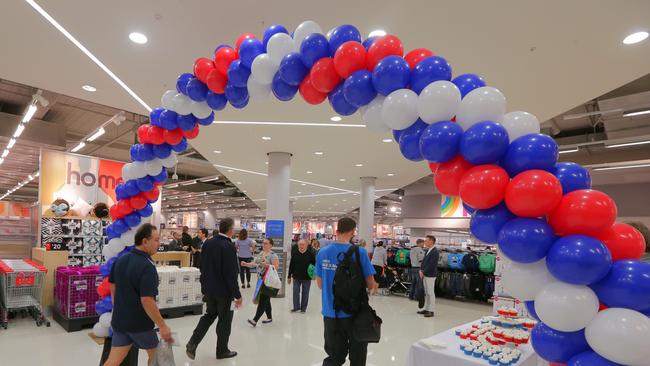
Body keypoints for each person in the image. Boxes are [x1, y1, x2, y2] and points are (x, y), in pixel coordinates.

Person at [104, 224, 173, 366]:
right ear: (145, 241)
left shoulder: (121, 259)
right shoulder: (147, 266)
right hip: (140, 325)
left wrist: (117, 306)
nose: (158, 244)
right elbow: (147, 300)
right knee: (157, 358)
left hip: (120, 321)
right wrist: (162, 325)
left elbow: (112, 284)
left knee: (113, 361)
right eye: (156, 240)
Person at [315, 217, 376, 366]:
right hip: (355, 313)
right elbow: (371, 285)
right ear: (353, 232)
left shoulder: (322, 253)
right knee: (358, 357)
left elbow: (320, 284)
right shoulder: (360, 252)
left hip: (331, 312)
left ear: (336, 231)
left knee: (334, 357)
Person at [186, 218, 242, 361]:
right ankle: (222, 350)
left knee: (209, 315)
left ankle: (192, 343)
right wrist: (237, 294)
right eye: (233, 228)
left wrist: (204, 288)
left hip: (210, 290)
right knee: (225, 320)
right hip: (224, 292)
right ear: (229, 230)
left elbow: (202, 267)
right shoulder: (228, 246)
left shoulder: (208, 243)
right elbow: (230, 274)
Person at [242, 238, 279, 326]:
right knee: (266, 300)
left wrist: (266, 265)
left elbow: (276, 267)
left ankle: (255, 320)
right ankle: (269, 318)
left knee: (263, 300)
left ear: (271, 245)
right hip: (260, 280)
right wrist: (246, 264)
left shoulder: (273, 255)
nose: (264, 244)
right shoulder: (261, 253)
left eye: (266, 243)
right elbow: (255, 263)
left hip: (268, 281)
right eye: (263, 243)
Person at [288, 239, 316, 313]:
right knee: (295, 292)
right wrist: (289, 276)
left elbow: (314, 265)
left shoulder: (311, 254)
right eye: (300, 244)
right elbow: (291, 265)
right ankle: (296, 307)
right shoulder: (295, 253)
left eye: (303, 244)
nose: (301, 246)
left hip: (307, 278)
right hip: (296, 277)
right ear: (298, 245)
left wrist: (314, 275)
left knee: (305, 293)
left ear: (306, 245)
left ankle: (303, 308)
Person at [419, 235, 440, 318]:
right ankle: (426, 308)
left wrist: (423, 271)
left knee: (430, 293)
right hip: (425, 274)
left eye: (426, 240)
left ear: (431, 241)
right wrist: (421, 270)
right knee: (427, 293)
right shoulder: (429, 250)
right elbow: (425, 262)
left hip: (430, 275)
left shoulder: (435, 252)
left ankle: (431, 310)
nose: (425, 242)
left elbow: (431, 265)